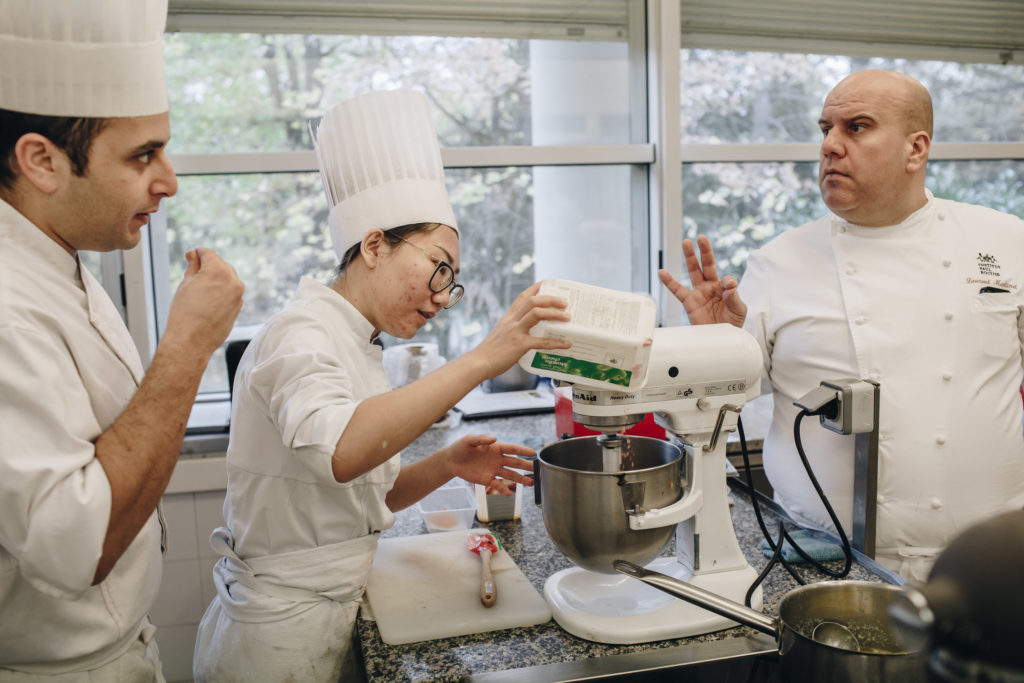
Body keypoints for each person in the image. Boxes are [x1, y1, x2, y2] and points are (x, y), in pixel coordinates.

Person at [193, 89, 572, 682]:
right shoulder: (300, 336)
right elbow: (343, 453)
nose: (445, 297)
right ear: (374, 245)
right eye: (438, 268)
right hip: (275, 641)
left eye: (454, 282)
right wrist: (485, 357)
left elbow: (367, 499)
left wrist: (447, 462)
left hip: (325, 613)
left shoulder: (358, 343)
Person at [659, 69, 1024, 581]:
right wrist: (715, 342)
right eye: (825, 128)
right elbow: (726, 400)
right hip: (825, 562)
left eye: (856, 127)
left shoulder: (1006, 241)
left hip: (991, 558)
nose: (830, 145)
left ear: (915, 149)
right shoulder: (780, 262)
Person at [0, 0, 245, 680]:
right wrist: (189, 343)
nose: (167, 180)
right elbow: (76, 545)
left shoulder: (63, 256)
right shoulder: (6, 306)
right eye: (144, 155)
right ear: (42, 161)